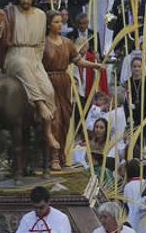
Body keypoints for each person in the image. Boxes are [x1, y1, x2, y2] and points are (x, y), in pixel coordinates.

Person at [0, 0, 59, 153]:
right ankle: (40, 105)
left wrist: (38, 61)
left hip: (34, 56)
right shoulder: (9, 12)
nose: (25, 0)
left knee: (49, 90)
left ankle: (46, 130)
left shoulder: (41, 15)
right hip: (15, 54)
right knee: (22, 66)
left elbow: (41, 43)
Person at [43, 9, 104, 168]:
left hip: (64, 83)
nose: (60, 25)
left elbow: (79, 61)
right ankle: (53, 157)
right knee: (54, 119)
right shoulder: (43, 43)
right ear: (48, 25)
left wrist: (95, 65)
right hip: (48, 82)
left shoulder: (67, 43)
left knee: (65, 119)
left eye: (60, 22)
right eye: (56, 22)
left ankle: (61, 154)